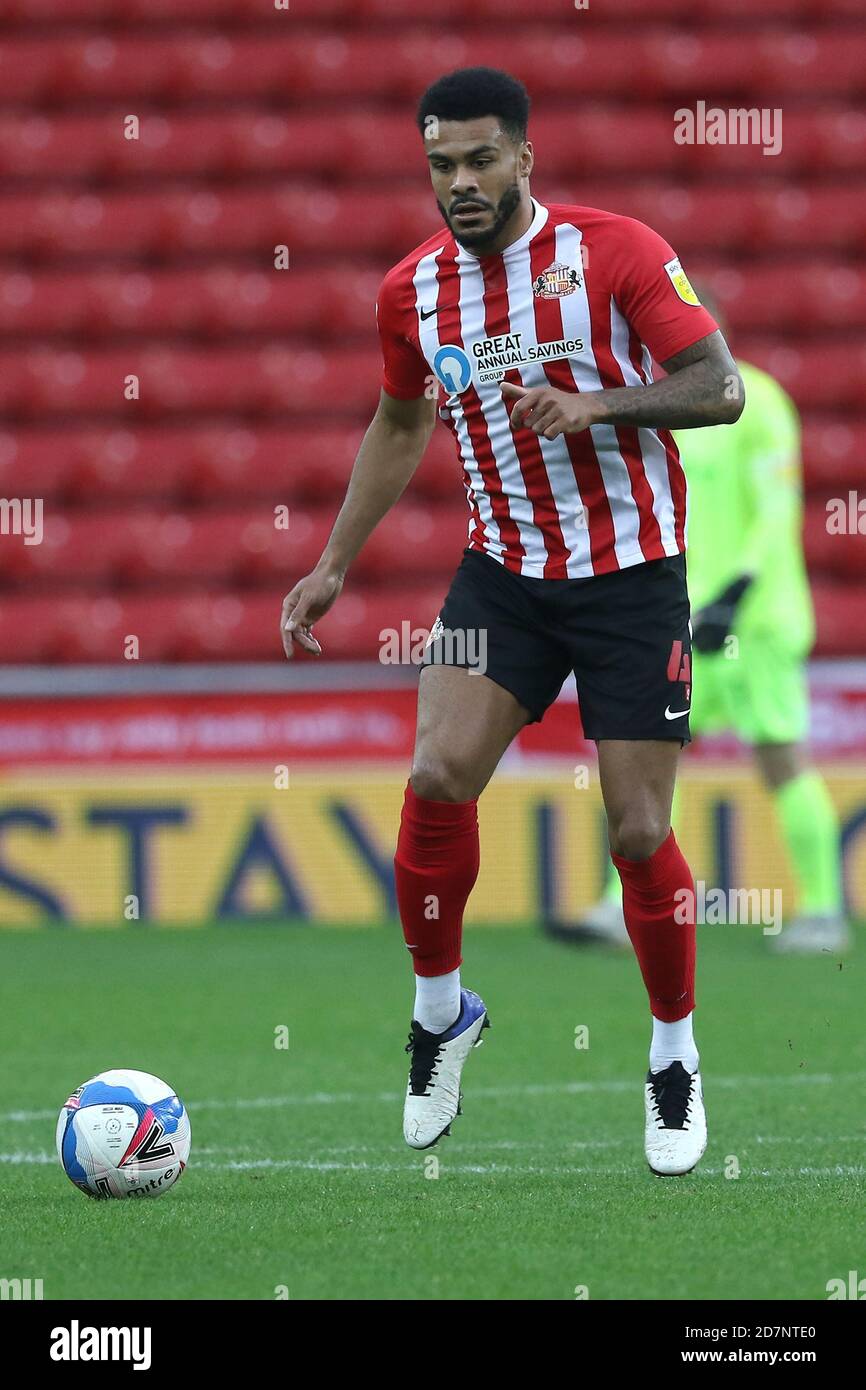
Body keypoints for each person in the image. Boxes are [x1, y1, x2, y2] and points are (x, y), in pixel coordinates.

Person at [280, 67, 744, 1176]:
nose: (461, 183)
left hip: (632, 575)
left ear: (523, 158)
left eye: (481, 159)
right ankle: (439, 1013)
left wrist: (597, 403)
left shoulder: (613, 252)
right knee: (437, 772)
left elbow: (717, 385)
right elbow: (398, 426)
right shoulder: (413, 292)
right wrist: (332, 562)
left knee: (635, 831)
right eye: (441, 164)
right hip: (503, 574)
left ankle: (671, 1052)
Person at [571, 293, 848, 956]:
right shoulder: (657, 409)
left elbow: (777, 511)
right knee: (650, 756)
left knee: (780, 757)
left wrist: (737, 591)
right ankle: (625, 907)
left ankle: (823, 909)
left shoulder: (757, 401)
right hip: (678, 614)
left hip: (755, 619)